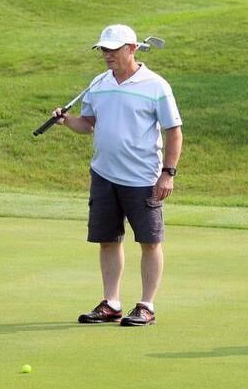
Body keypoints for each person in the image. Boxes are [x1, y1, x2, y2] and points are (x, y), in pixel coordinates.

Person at [52, 24, 183, 327]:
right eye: (104, 49)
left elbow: (173, 131)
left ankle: (147, 305)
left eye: (113, 49)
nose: (107, 55)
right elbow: (88, 124)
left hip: (143, 178)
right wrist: (68, 120)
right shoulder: (98, 83)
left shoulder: (156, 85)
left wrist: (168, 173)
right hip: (104, 175)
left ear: (132, 48)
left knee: (149, 242)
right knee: (108, 240)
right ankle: (111, 303)